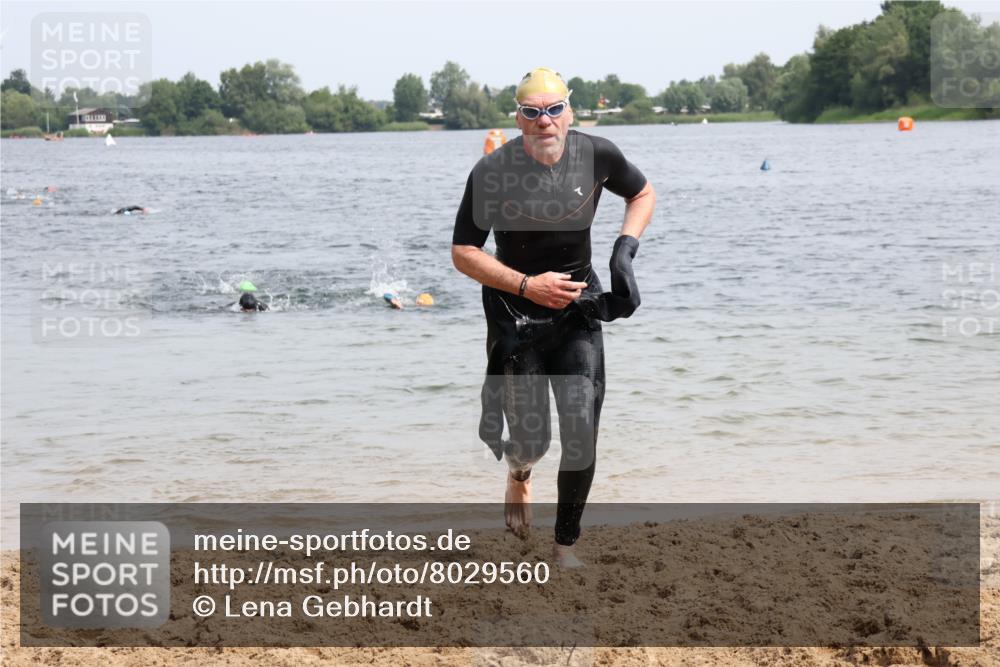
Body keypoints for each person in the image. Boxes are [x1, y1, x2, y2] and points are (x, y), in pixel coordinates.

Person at [451, 68, 655, 567]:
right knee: (531, 440)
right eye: (532, 112)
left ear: (570, 111)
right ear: (518, 119)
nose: (545, 120)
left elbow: (642, 194)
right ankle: (519, 475)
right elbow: (463, 252)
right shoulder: (492, 173)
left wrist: (623, 252)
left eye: (554, 109)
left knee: (582, 430)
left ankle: (565, 545)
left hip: (576, 305)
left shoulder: (598, 154)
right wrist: (526, 285)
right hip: (514, 313)